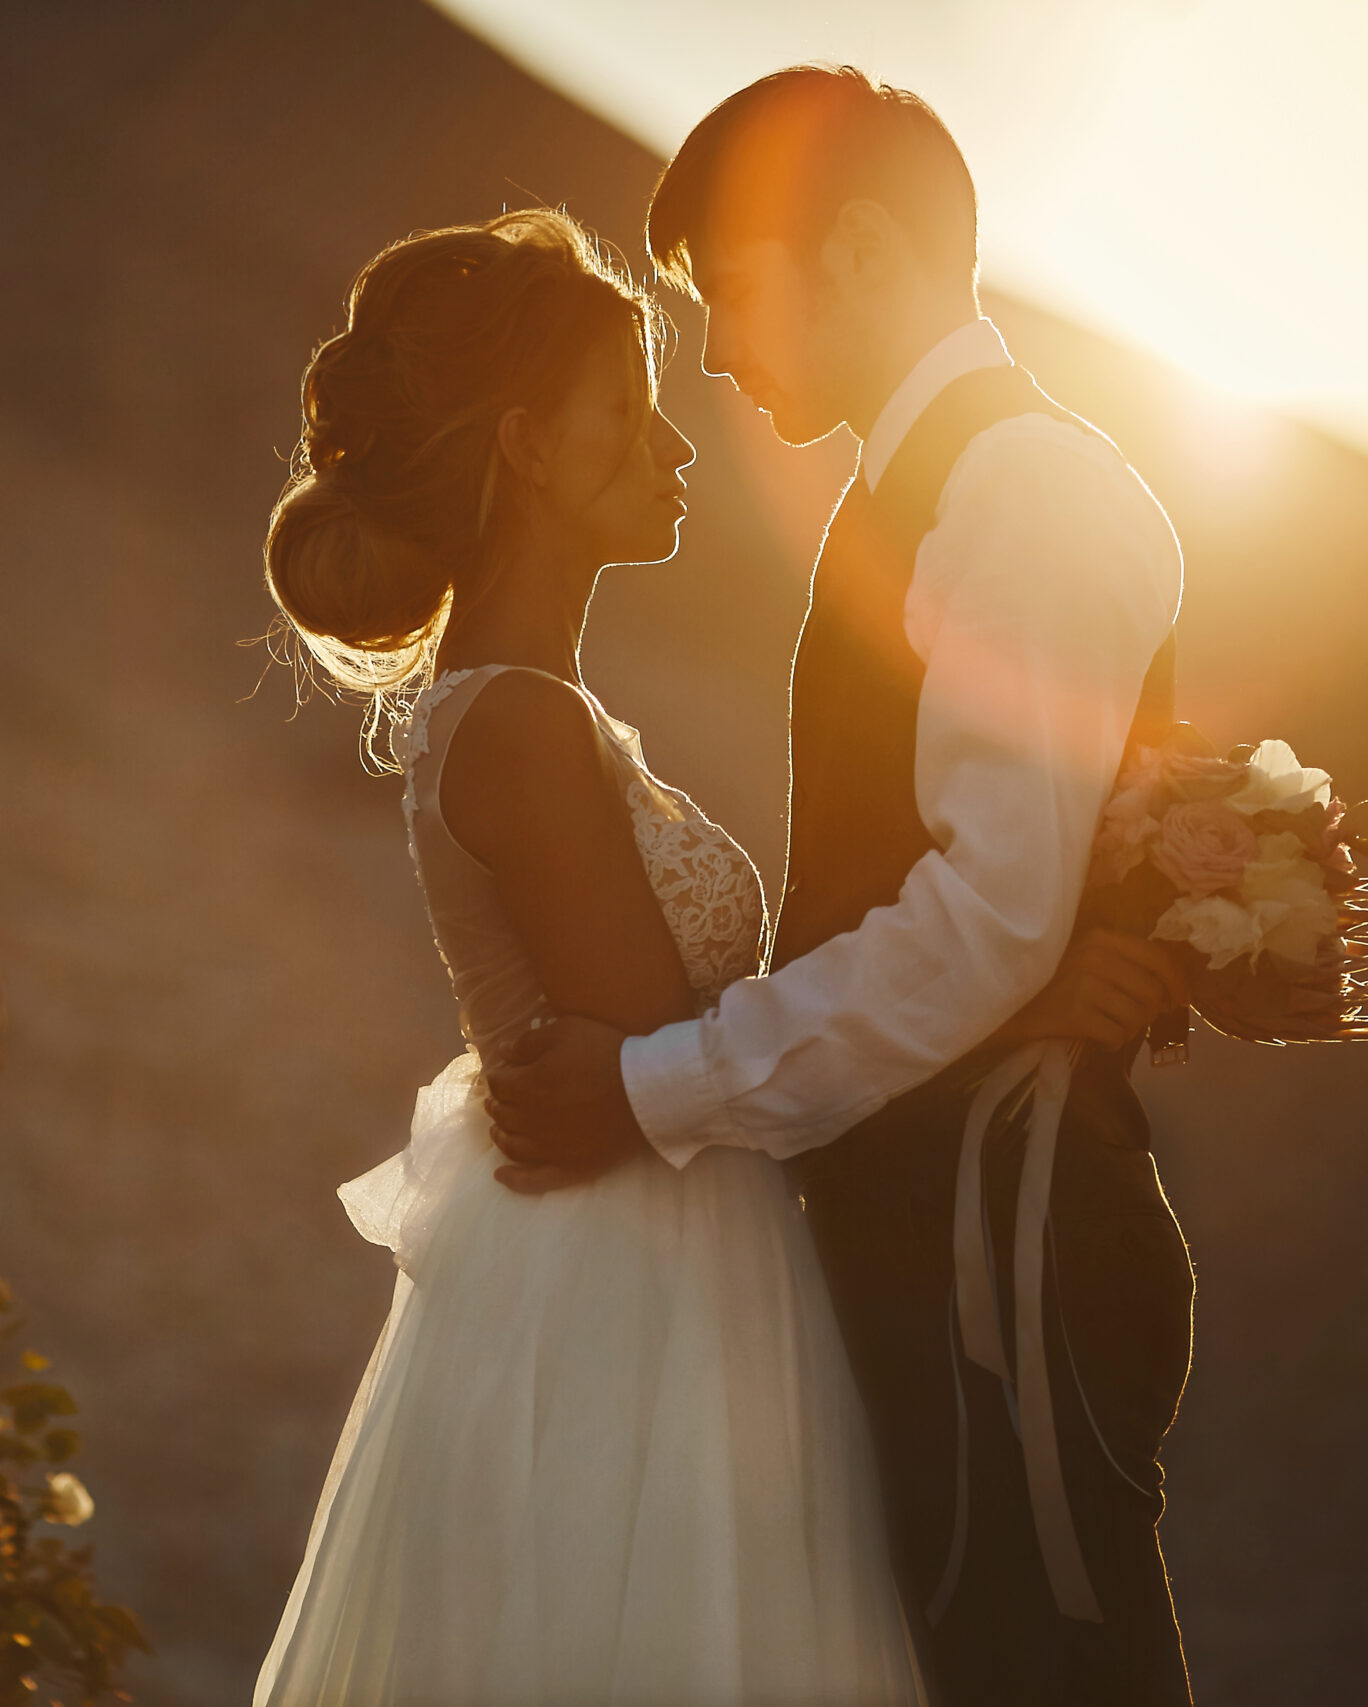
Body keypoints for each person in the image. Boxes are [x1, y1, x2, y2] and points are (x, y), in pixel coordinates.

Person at [250, 202, 1179, 1706]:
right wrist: (1017, 996)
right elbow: (651, 1057)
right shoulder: (522, 729)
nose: (674, 447)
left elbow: (673, 1046)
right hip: (638, 1296)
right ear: (526, 448)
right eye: (627, 412)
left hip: (658, 1258)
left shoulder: (534, 709)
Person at [487, 68, 1200, 1705]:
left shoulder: (1026, 493)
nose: (723, 353)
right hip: (935, 1211)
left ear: (865, 252)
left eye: (733, 294)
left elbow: (989, 915)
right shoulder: (932, 490)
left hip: (1001, 1236)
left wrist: (659, 1086)